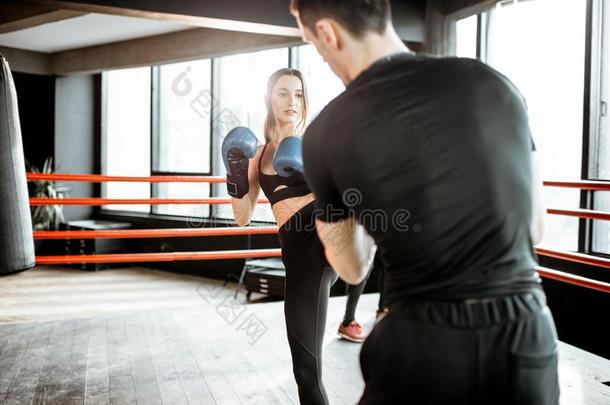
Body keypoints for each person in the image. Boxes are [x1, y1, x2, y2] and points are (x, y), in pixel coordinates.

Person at [290, 1, 559, 404]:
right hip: (527, 330)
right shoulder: (493, 83)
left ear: (327, 33)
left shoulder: (326, 131)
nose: (323, 57)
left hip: (425, 338)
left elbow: (352, 266)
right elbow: (536, 227)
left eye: (314, 45)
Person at [221, 68, 336, 405]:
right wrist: (236, 174)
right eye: (283, 92)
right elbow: (242, 218)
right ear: (269, 99)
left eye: (298, 93)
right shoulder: (257, 153)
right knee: (305, 371)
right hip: (297, 258)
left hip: (325, 240)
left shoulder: (317, 141)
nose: (292, 101)